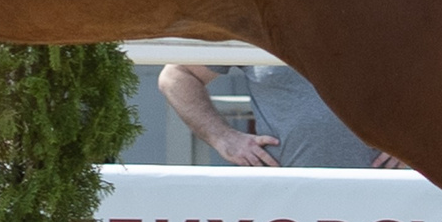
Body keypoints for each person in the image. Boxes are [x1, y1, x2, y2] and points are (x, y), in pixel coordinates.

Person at [158, 60, 387, 170]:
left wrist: (417, 140)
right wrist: (223, 137)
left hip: (387, 197)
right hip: (282, 202)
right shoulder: (256, 18)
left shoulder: (380, 11)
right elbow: (176, 76)